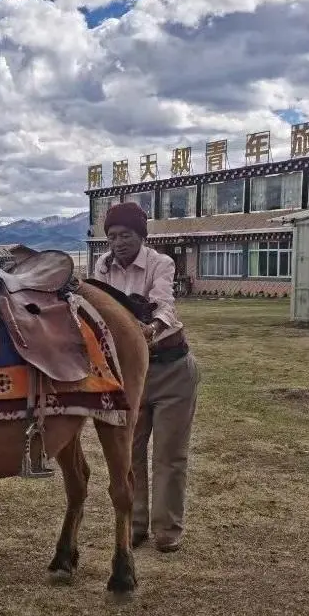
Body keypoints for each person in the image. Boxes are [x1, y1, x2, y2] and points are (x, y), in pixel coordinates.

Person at [91, 202, 200, 553]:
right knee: (130, 451)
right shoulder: (102, 267)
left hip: (171, 368)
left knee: (169, 454)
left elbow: (164, 304)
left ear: (141, 236)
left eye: (126, 235)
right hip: (129, 375)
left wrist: (150, 328)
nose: (118, 242)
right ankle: (135, 524)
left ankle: (167, 529)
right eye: (112, 236)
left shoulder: (160, 263)